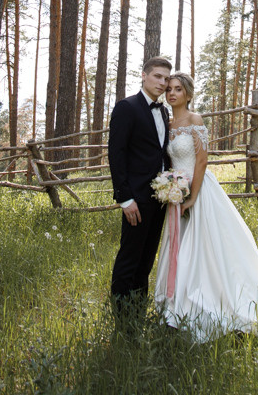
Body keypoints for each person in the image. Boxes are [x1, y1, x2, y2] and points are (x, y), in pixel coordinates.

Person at [153, 72, 258, 341]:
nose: (171, 94)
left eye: (178, 90)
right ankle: (177, 304)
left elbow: (202, 161)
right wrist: (171, 187)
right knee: (180, 247)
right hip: (176, 193)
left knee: (207, 248)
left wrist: (192, 196)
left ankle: (217, 298)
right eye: (169, 89)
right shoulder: (168, 123)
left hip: (199, 190)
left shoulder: (195, 120)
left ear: (188, 94)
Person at [107, 56, 173, 318]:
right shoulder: (127, 107)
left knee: (147, 259)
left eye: (166, 79)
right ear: (144, 75)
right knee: (129, 257)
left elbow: (160, 154)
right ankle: (120, 317)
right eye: (157, 76)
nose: (162, 82)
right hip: (135, 198)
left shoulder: (164, 111)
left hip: (159, 198)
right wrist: (124, 198)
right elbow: (116, 154)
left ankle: (137, 311)